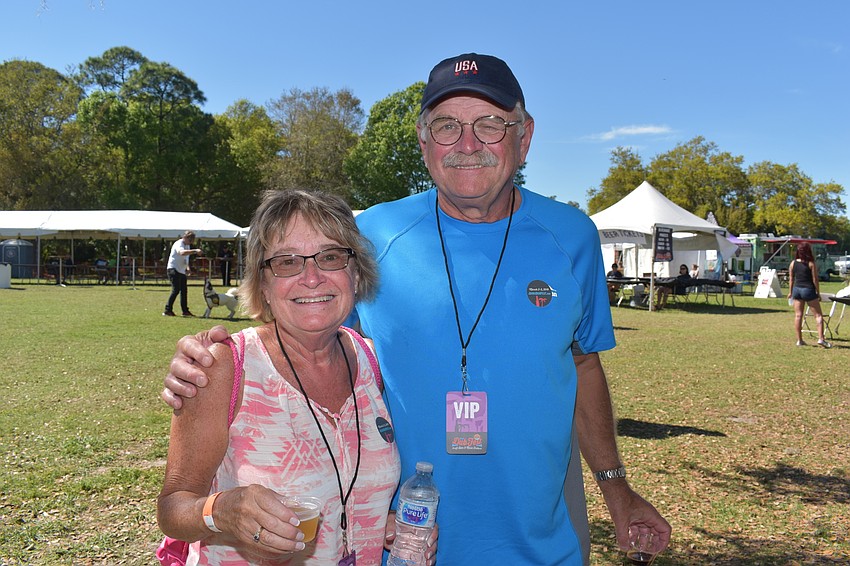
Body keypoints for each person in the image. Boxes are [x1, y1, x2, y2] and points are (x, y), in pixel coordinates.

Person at [162, 53, 671, 564]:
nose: (467, 145)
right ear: (424, 142)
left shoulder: (572, 236)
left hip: (539, 541)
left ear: (525, 136)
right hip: (402, 543)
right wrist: (205, 360)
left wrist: (615, 486)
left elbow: (583, 362)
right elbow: (308, 326)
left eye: (490, 125)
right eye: (447, 127)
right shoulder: (376, 233)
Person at [157, 189, 435, 565]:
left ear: (354, 273)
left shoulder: (372, 362)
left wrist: (384, 522)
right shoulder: (223, 364)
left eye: (331, 257)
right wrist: (222, 510)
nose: (312, 277)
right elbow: (173, 508)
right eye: (287, 262)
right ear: (264, 285)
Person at [788, 242, 831, 348]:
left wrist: (790, 292)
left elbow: (791, 279)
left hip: (797, 290)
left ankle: (799, 340)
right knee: (818, 315)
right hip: (808, 289)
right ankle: (821, 339)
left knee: (798, 315)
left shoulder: (793, 263)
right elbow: (815, 279)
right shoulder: (811, 263)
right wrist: (818, 292)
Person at [163, 231, 203, 317]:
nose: (191, 242)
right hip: (173, 269)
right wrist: (195, 250)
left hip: (181, 271)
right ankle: (167, 310)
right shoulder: (179, 243)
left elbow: (185, 259)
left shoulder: (187, 245)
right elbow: (182, 253)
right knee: (176, 290)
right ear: (185, 237)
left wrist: (188, 268)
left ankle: (185, 311)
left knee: (184, 291)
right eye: (190, 240)